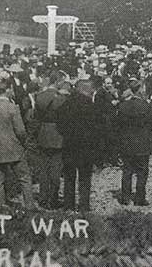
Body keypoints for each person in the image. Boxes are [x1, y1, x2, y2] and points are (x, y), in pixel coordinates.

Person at [0, 83, 35, 209]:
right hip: (14, 147)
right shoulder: (13, 108)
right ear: (7, 90)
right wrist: (23, 143)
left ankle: (0, 206)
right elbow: (21, 131)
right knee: (24, 177)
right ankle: (29, 206)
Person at [56, 79, 99, 212]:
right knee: (85, 178)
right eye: (91, 89)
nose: (93, 92)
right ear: (85, 89)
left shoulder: (66, 103)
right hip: (86, 147)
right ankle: (84, 206)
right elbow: (96, 128)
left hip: (69, 145)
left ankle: (69, 205)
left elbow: (60, 125)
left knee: (69, 177)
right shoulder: (90, 106)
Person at [116, 79, 152, 206]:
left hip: (127, 143)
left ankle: (125, 198)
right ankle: (140, 198)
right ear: (140, 90)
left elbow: (117, 125)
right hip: (142, 143)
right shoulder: (146, 106)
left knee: (127, 170)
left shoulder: (123, 106)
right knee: (142, 172)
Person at [31, 71, 67, 209]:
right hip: (57, 134)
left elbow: (35, 116)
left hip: (43, 134)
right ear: (58, 81)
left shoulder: (39, 97)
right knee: (56, 168)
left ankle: (43, 197)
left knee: (43, 169)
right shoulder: (61, 98)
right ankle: (53, 199)